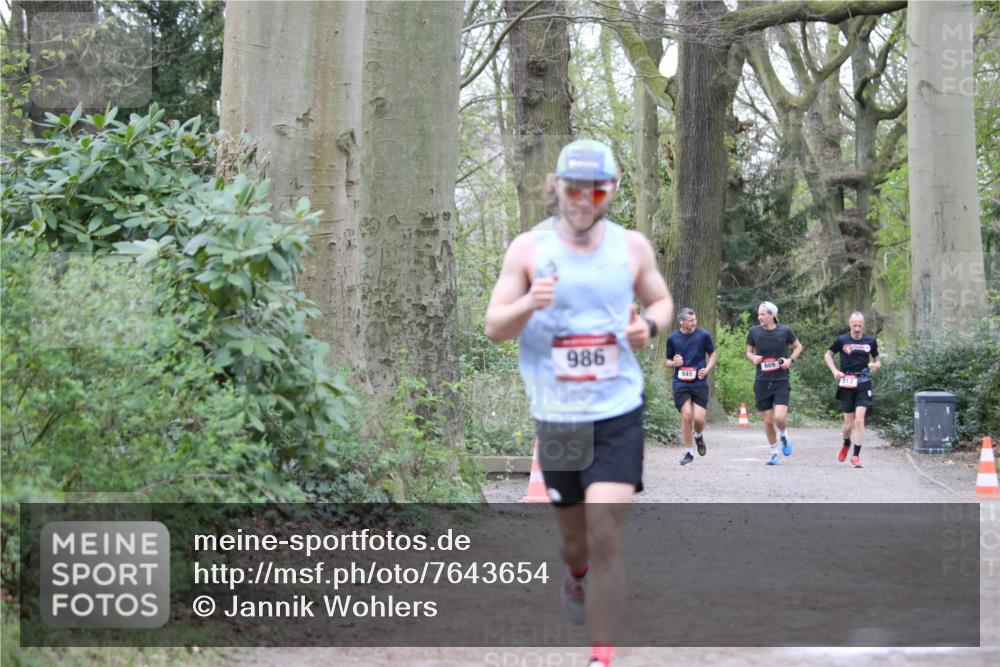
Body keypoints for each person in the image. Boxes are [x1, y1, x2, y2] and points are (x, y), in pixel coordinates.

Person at [484, 139, 672, 667]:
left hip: (617, 409)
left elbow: (660, 300)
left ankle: (601, 657)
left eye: (595, 190)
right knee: (576, 543)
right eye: (572, 189)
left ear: (610, 191)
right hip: (559, 413)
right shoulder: (528, 250)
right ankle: (575, 574)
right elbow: (495, 327)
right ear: (557, 187)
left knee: (605, 531)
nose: (582, 199)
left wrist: (648, 326)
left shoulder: (631, 248)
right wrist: (528, 302)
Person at [745, 301, 803, 465]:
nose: (759, 317)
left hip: (781, 380)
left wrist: (790, 360)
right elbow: (748, 352)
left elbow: (798, 347)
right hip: (762, 381)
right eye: (759, 314)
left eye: (762, 314)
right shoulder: (754, 332)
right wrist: (753, 357)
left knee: (779, 417)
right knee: (768, 421)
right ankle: (774, 453)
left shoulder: (785, 331)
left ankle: (783, 434)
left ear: (771, 315)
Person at [823, 311, 881, 468]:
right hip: (847, 383)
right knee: (848, 425)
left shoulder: (870, 341)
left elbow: (877, 359)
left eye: (859, 326)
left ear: (863, 325)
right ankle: (846, 443)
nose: (857, 328)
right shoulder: (842, 340)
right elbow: (828, 355)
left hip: (864, 382)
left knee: (859, 420)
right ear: (850, 325)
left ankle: (856, 456)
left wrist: (877, 365)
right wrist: (835, 371)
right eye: (854, 325)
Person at [664, 307, 716, 465]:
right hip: (680, 382)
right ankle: (688, 452)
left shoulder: (703, 335)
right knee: (686, 415)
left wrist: (706, 369)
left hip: (699, 382)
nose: (694, 323)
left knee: (699, 419)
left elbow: (712, 354)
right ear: (681, 322)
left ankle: (698, 436)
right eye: (690, 321)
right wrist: (674, 363)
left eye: (695, 320)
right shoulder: (673, 338)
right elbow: (666, 361)